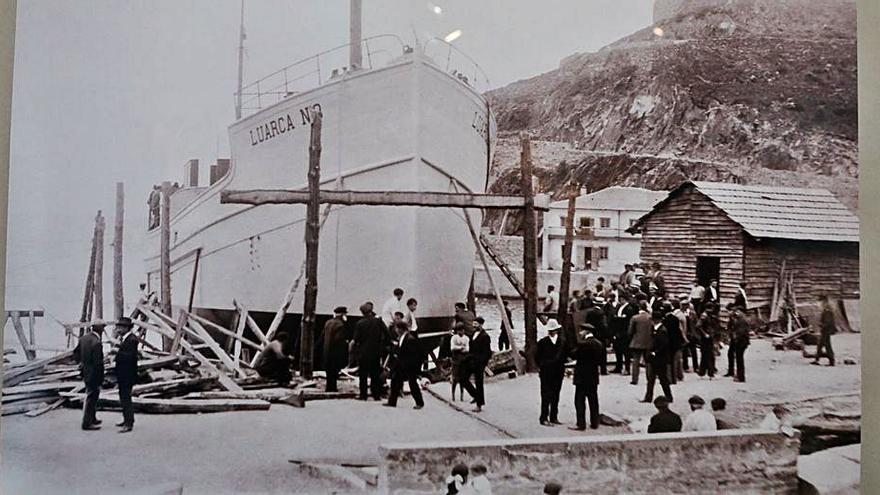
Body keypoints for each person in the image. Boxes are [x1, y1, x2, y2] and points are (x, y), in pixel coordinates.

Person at [570, 323, 605, 430]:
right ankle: (594, 423)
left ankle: (581, 424)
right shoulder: (599, 344)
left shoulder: (583, 344)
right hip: (593, 376)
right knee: (593, 400)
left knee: (579, 400)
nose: (580, 333)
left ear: (586, 332)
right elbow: (601, 360)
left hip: (582, 376)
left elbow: (574, 355)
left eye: (581, 331)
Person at [384, 322, 425, 409]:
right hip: (402, 365)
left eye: (397, 328)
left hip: (409, 366)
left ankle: (419, 402)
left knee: (412, 384)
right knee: (395, 382)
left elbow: (413, 355)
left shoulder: (410, 339)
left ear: (401, 329)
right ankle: (392, 402)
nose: (396, 330)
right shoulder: (403, 338)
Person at [353, 302, 387, 400]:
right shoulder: (378, 321)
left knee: (363, 375)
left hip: (363, 353)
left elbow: (356, 339)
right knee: (375, 375)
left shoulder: (360, 323)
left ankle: (363, 395)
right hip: (376, 353)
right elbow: (387, 334)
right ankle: (376, 395)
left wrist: (356, 352)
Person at [74, 322, 105, 431]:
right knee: (92, 397)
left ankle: (92, 418)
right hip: (94, 374)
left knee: (92, 396)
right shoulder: (97, 342)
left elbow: (76, 352)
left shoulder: (84, 338)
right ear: (100, 329)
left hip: (86, 372)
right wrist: (101, 378)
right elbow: (98, 363)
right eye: (103, 328)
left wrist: (81, 364)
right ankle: (87, 423)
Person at [536, 319, 566, 426]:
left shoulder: (563, 342)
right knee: (545, 395)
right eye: (550, 330)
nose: (551, 332)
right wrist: (543, 365)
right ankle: (543, 417)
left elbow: (565, 356)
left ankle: (553, 417)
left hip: (558, 372)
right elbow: (537, 358)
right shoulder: (542, 342)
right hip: (546, 373)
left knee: (556, 395)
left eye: (553, 330)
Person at [113, 317, 138, 433]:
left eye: (120, 327)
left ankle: (128, 423)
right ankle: (126, 419)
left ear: (127, 328)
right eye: (118, 326)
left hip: (127, 374)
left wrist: (116, 353)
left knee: (126, 398)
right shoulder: (124, 339)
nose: (118, 329)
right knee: (123, 398)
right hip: (123, 373)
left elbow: (130, 357)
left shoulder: (132, 339)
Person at [462, 318, 492, 412]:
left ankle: (479, 405)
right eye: (473, 324)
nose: (474, 325)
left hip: (479, 363)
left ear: (481, 325)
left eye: (476, 324)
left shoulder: (485, 336)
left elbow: (487, 352)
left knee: (479, 383)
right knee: (463, 379)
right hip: (471, 361)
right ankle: (476, 395)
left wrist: (483, 363)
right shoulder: (472, 335)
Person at [642, 311, 673, 404]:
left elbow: (663, 344)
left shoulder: (662, 330)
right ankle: (649, 397)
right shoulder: (656, 329)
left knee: (662, 379)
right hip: (656, 358)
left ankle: (668, 396)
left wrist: (654, 352)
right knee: (652, 379)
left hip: (660, 358)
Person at [323, 306, 349, 393]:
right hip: (335, 352)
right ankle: (333, 388)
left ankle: (328, 387)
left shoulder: (328, 323)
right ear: (342, 314)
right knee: (334, 371)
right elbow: (339, 339)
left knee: (328, 371)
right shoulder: (340, 325)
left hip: (326, 351)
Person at [611, 294, 638, 375]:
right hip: (617, 332)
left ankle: (627, 368)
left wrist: (619, 319)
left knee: (626, 352)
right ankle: (618, 367)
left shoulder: (629, 309)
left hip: (624, 333)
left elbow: (626, 320)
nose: (620, 300)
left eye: (621, 299)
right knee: (618, 351)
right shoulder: (619, 307)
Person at [628, 301, 652, 385]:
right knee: (648, 362)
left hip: (637, 341)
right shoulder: (650, 317)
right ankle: (649, 378)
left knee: (636, 361)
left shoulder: (635, 318)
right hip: (648, 341)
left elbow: (630, 331)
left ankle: (635, 379)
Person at [726, 304, 750, 382]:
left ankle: (740, 377)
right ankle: (738, 375)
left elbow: (741, 332)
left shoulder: (741, 320)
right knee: (738, 358)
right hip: (741, 340)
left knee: (739, 359)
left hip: (741, 341)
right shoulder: (740, 318)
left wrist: (735, 338)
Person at [450, 322, 471, 401]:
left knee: (462, 378)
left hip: (463, 360)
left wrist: (458, 348)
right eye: (458, 330)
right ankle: (453, 395)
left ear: (463, 330)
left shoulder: (466, 338)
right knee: (455, 378)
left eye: (461, 330)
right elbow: (452, 348)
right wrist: (461, 347)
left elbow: (467, 349)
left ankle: (461, 395)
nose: (460, 332)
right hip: (455, 360)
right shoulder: (454, 338)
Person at [813, 294, 836, 366]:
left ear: (823, 302)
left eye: (819, 302)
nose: (818, 304)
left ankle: (831, 361)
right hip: (825, 330)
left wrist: (822, 325)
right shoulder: (826, 310)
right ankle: (817, 359)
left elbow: (828, 322)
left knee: (827, 345)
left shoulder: (827, 310)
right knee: (820, 345)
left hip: (826, 330)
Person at [697, 304, 719, 378]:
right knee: (709, 355)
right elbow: (698, 326)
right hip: (706, 339)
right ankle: (710, 372)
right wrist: (705, 334)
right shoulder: (704, 316)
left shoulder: (710, 315)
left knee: (705, 355)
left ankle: (702, 372)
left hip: (710, 337)